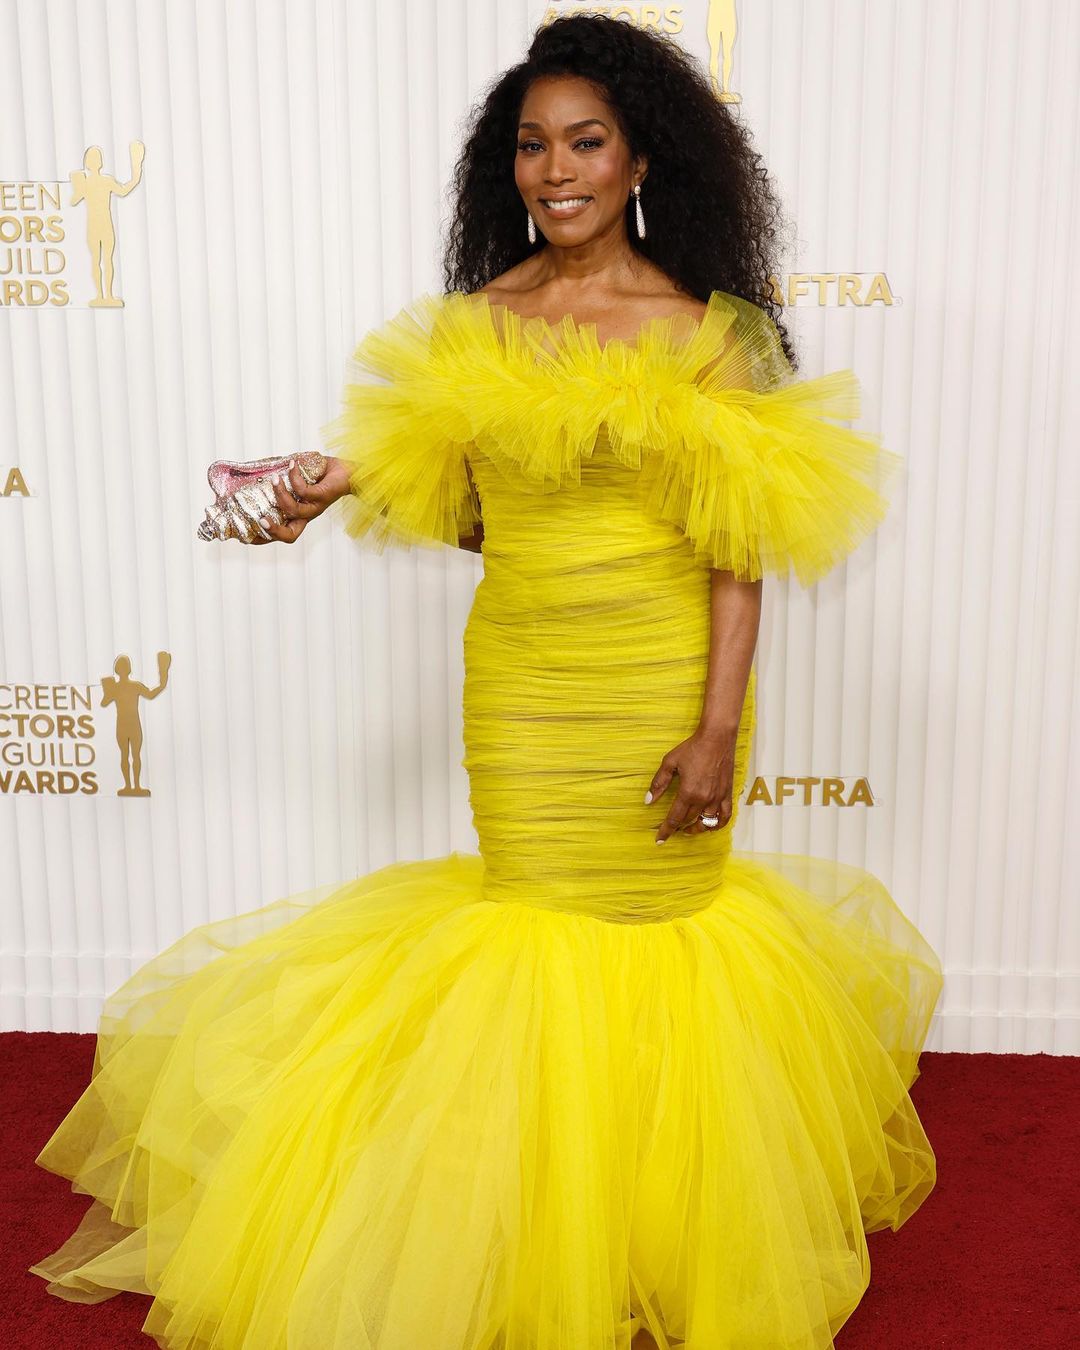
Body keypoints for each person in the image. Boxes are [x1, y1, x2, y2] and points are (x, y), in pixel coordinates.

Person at [30, 15, 943, 1350]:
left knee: (660, 948)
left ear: (642, 160)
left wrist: (716, 728)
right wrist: (319, 487)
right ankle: (532, 1235)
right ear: (503, 165)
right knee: (532, 945)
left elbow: (737, 557)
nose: (555, 170)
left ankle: (647, 1229)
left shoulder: (710, 333)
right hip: (522, 688)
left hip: (662, 683)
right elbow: (464, 511)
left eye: (586, 142)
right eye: (531, 145)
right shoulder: (474, 325)